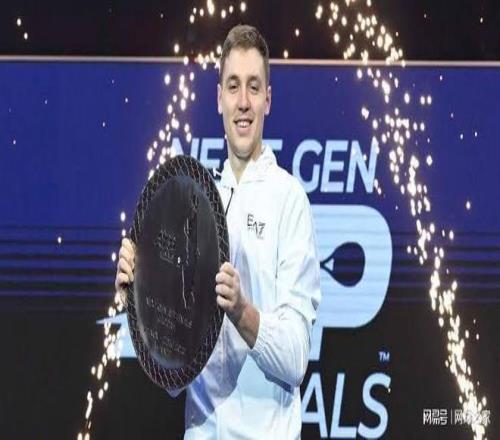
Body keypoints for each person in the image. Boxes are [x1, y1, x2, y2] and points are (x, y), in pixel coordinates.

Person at [115, 24, 321, 439]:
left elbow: (297, 358)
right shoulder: (194, 202)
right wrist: (140, 303)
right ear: (218, 99)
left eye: (253, 87)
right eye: (233, 86)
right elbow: (174, 381)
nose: (243, 102)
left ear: (268, 99)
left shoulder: (289, 199)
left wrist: (243, 312)